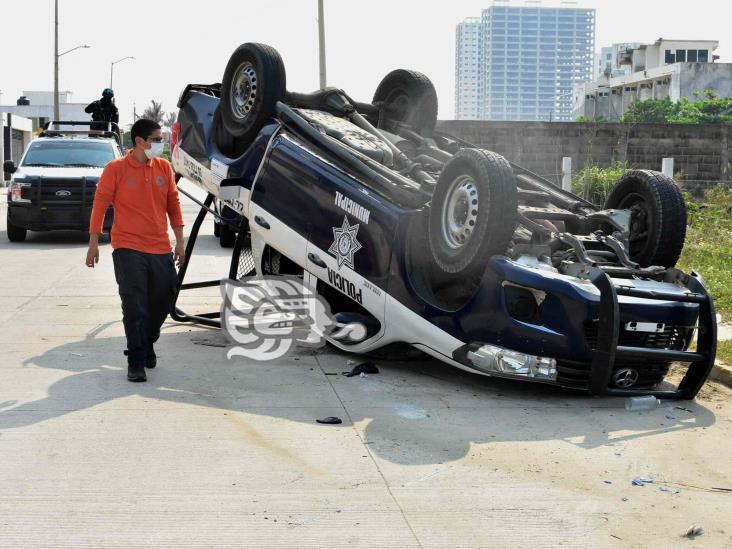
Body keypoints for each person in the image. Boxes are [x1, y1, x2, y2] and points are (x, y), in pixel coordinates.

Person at [85, 119, 185, 382]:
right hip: (128, 247)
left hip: (160, 246)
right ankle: (136, 360)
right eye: (156, 139)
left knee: (165, 297)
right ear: (140, 141)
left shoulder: (164, 167)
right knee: (134, 305)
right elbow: (100, 204)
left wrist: (180, 241)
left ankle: (147, 340)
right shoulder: (115, 169)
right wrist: (94, 243)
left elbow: (173, 205)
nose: (160, 144)